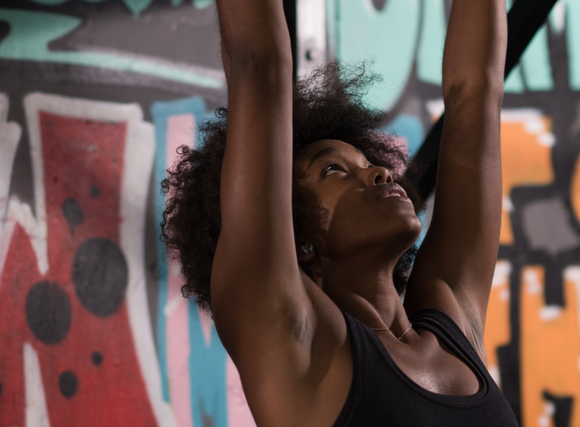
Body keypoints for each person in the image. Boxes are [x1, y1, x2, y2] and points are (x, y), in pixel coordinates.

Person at [160, 0, 516, 424]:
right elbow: (260, 66)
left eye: (368, 164)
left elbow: (474, 93)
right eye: (334, 171)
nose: (381, 173)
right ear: (296, 237)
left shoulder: (453, 326)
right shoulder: (293, 336)